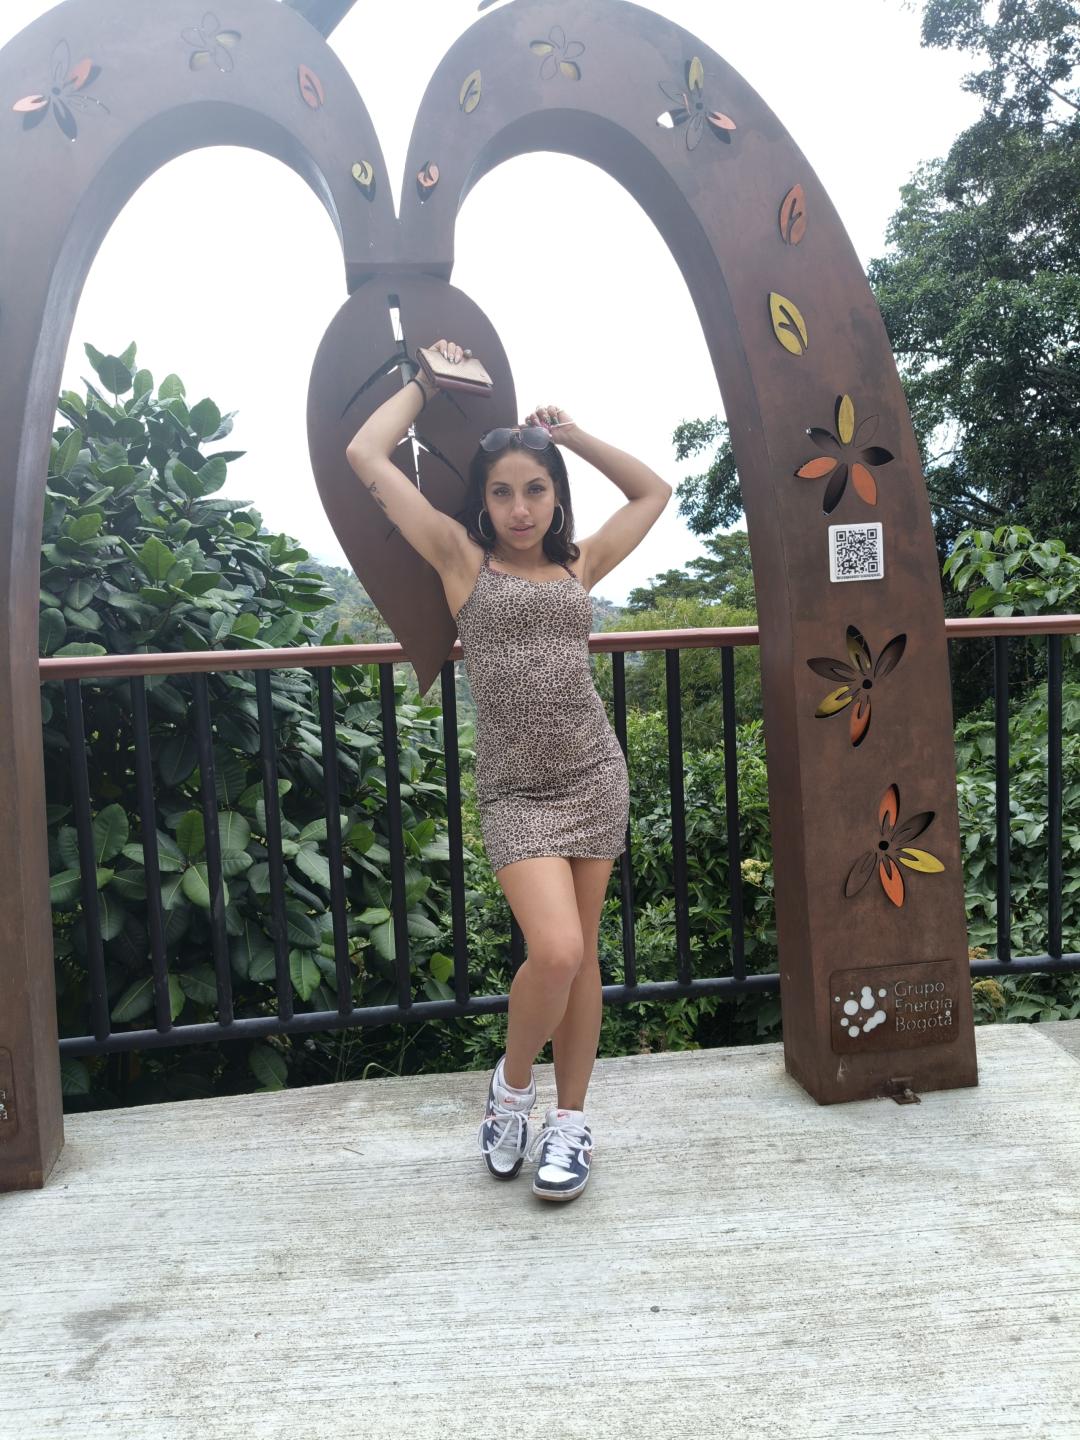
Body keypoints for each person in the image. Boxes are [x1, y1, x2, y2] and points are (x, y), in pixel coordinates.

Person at [345, 338, 671, 1202]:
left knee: (583, 959)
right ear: (482, 502)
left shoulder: (578, 563)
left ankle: (572, 1122)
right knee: (555, 951)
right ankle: (512, 1090)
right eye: (502, 492)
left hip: (595, 776)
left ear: (555, 496)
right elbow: (366, 454)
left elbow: (653, 492)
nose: (520, 509)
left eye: (535, 489)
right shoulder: (462, 558)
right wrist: (425, 383)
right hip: (518, 792)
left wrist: (574, 436)